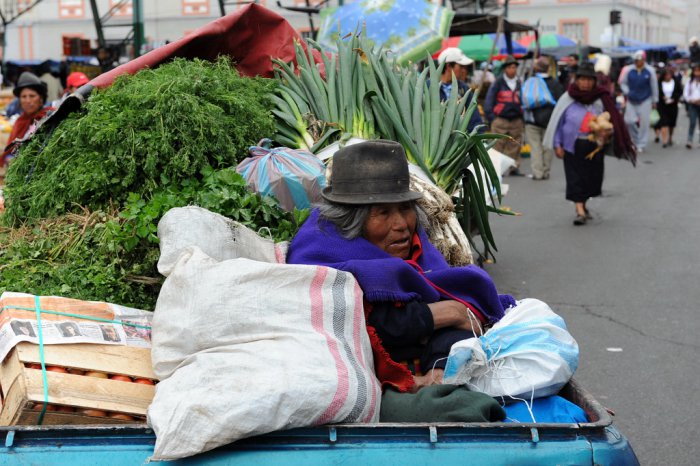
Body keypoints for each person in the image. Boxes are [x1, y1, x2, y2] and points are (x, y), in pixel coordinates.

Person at [286, 140, 515, 393]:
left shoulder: (420, 250)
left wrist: (440, 365)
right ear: (351, 220)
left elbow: (464, 317)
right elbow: (358, 324)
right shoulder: (320, 253)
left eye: (405, 208)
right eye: (383, 213)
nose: (401, 225)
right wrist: (448, 312)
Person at [544, 62, 636, 225]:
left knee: (592, 179)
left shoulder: (601, 99)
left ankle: (583, 204)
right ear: (576, 80)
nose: (586, 83)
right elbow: (558, 123)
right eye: (582, 79)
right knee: (575, 179)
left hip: (594, 146)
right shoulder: (567, 98)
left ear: (594, 81)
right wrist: (558, 144)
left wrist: (608, 133)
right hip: (572, 145)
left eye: (589, 80)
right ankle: (579, 211)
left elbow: (612, 119)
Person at [522, 56, 564, 180]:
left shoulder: (531, 81)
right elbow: (560, 102)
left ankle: (537, 173)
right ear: (548, 68)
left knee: (535, 147)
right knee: (547, 146)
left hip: (532, 120)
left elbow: (524, 99)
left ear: (536, 68)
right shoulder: (556, 83)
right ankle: (546, 171)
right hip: (550, 121)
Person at [2, 71, 54, 166]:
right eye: (23, 97)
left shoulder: (49, 117)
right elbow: (10, 150)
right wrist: (9, 159)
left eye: (32, 96)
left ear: (41, 98)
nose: (28, 101)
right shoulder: (21, 121)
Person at [485, 55, 525, 175]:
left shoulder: (519, 82)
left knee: (515, 145)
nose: (513, 70)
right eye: (510, 67)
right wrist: (492, 118)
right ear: (505, 69)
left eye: (514, 67)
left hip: (516, 120)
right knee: (497, 145)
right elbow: (489, 100)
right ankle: (497, 169)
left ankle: (513, 167)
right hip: (500, 120)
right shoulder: (498, 83)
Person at [432, 47, 483, 132]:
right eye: (461, 66)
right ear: (448, 66)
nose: (464, 70)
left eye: (465, 67)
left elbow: (474, 117)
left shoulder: (464, 88)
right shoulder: (428, 87)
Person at [618, 50, 658, 153]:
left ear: (644, 60)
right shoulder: (628, 70)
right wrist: (627, 92)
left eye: (640, 60)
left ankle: (641, 144)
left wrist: (655, 100)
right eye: (636, 60)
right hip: (632, 99)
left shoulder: (650, 71)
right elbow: (623, 83)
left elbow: (654, 86)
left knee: (644, 123)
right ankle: (635, 141)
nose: (638, 62)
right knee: (629, 121)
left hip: (645, 99)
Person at [656, 67, 682, 148]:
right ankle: (664, 141)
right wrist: (663, 97)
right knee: (664, 122)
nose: (668, 76)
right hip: (662, 105)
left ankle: (670, 137)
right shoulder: (659, 83)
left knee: (671, 123)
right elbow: (657, 92)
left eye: (669, 75)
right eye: (666, 75)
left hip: (673, 105)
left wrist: (674, 98)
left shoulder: (676, 82)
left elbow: (680, 92)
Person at [683, 63, 700, 149]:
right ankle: (689, 140)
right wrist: (691, 100)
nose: (697, 73)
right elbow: (686, 94)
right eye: (695, 71)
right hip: (692, 105)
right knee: (692, 122)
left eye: (698, 71)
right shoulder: (689, 82)